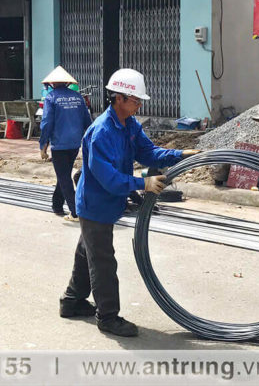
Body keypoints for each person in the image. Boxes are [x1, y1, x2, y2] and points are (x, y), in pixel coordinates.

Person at [60, 68, 200, 337]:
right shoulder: (101, 132)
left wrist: (179, 155)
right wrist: (143, 183)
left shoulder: (129, 125)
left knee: (88, 251)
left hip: (107, 203)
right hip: (95, 205)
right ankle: (108, 317)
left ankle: (71, 301)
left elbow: (148, 153)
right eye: (136, 100)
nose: (139, 105)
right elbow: (109, 179)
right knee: (103, 261)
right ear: (119, 98)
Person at [38, 65, 93, 221]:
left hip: (59, 144)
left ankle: (76, 211)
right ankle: (56, 205)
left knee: (64, 177)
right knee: (63, 174)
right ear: (67, 83)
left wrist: (43, 145)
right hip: (75, 143)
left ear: (52, 84)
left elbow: (46, 123)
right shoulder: (78, 97)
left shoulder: (51, 98)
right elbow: (87, 121)